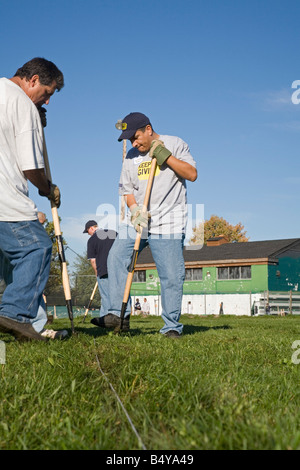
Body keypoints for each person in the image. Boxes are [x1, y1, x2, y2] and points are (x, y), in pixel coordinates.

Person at [103, 112, 197, 337]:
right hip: (139, 222)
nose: (134, 143)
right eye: (129, 141)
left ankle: (171, 326)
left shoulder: (175, 143)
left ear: (148, 129)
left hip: (169, 222)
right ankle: (119, 315)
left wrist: (167, 157)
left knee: (171, 275)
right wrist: (135, 210)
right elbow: (127, 190)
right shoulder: (131, 157)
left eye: (136, 137)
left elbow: (192, 174)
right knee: (115, 257)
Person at [0, 57, 67, 342]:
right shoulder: (22, 103)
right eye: (47, 93)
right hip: (6, 198)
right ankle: (14, 315)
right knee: (36, 247)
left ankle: (25, 331)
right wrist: (47, 187)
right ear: (34, 79)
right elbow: (30, 166)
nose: (47, 102)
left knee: (9, 261)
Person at [82, 220, 117, 326]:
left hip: (103, 270)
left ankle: (105, 320)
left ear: (91, 228)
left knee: (106, 296)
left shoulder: (92, 240)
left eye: (88, 231)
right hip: (117, 269)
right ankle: (122, 317)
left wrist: (97, 273)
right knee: (118, 294)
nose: (88, 234)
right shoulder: (113, 233)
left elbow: (93, 260)